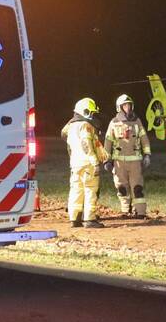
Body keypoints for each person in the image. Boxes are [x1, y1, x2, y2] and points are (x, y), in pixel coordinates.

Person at [61, 97, 108, 228]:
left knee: (76, 190)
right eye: (92, 113)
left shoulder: (70, 126)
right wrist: (95, 162)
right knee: (90, 190)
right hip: (88, 164)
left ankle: (74, 218)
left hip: (75, 164)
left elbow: (65, 137)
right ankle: (89, 220)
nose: (93, 116)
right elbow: (86, 144)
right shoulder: (86, 126)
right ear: (86, 111)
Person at [104, 94, 151, 218]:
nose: (128, 107)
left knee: (137, 187)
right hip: (119, 163)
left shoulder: (137, 121)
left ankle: (140, 212)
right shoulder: (113, 122)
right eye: (125, 105)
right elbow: (108, 141)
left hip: (135, 161)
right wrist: (107, 160)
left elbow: (144, 138)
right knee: (121, 188)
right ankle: (125, 210)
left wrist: (147, 155)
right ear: (119, 107)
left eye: (129, 105)